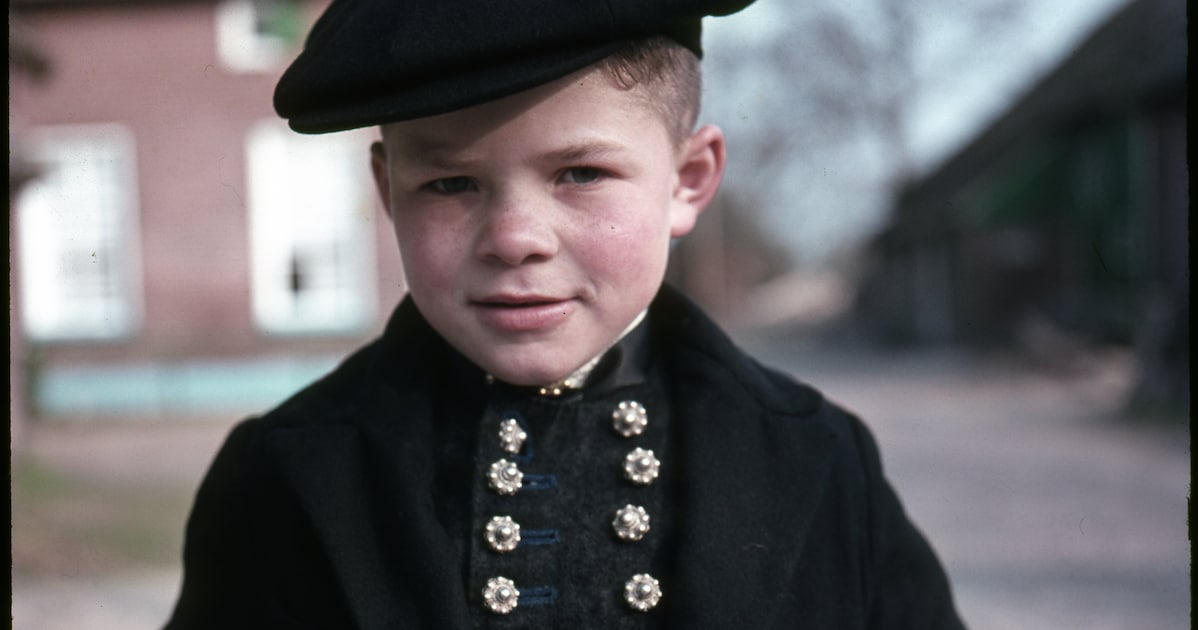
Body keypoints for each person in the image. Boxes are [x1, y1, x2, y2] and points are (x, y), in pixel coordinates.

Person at [166, 0, 966, 628]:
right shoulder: (285, 476)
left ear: (687, 181)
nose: (515, 239)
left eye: (580, 173)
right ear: (386, 193)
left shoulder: (819, 459)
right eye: (450, 184)